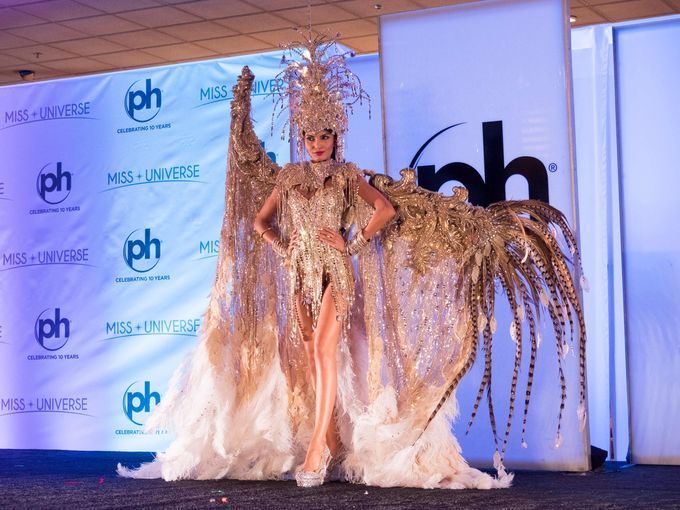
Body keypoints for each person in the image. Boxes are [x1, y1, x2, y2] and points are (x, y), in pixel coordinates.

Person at [118, 32, 587, 489]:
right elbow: (261, 222)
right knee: (312, 358)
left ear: (335, 136)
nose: (317, 143)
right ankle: (331, 440)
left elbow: (385, 209)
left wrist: (354, 243)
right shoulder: (289, 176)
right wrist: (284, 247)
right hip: (298, 275)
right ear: (302, 138)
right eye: (309, 136)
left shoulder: (345, 175)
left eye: (324, 135)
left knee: (325, 351)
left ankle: (317, 449)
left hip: (336, 274)